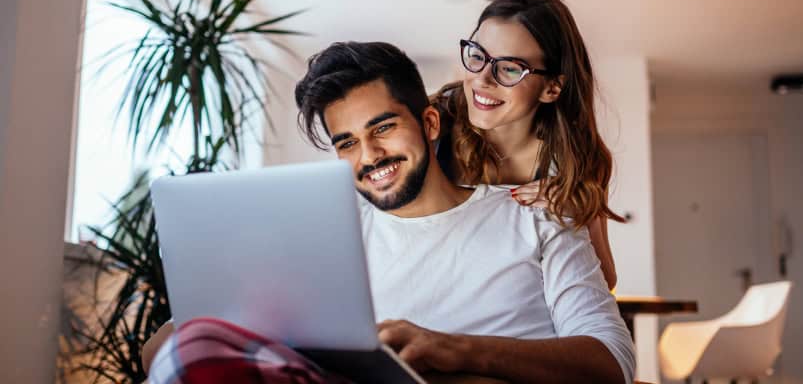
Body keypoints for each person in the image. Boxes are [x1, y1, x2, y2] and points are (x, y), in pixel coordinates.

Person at [143, 41, 634, 384]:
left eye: (382, 128)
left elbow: (611, 361)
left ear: (429, 122)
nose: (369, 156)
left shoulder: (536, 217)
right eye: (347, 143)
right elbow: (163, 350)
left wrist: (455, 349)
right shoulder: (325, 237)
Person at [432, 0, 623, 290]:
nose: (482, 79)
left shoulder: (579, 160)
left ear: (552, 88)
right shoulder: (432, 128)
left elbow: (605, 279)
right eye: (478, 56)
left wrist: (578, 218)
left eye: (509, 68)